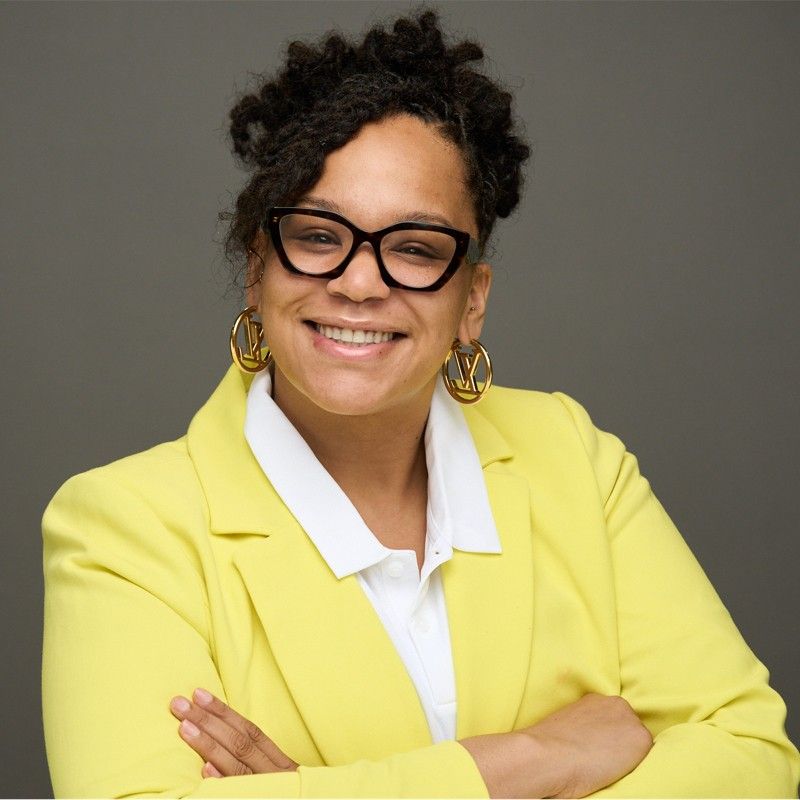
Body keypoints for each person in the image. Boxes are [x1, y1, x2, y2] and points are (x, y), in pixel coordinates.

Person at [41, 10, 799, 798]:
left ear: (472, 301)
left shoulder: (576, 459)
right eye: (318, 235)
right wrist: (529, 763)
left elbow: (751, 759)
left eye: (414, 248)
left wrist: (328, 788)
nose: (360, 281)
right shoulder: (121, 529)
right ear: (256, 267)